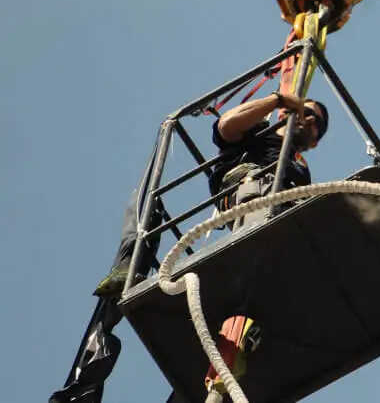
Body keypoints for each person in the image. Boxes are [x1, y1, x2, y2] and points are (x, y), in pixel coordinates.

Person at [54, 91, 328, 403]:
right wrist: (279, 99)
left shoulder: (300, 166)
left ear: (315, 141)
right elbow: (227, 126)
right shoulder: (260, 131)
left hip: (283, 225)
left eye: (316, 121)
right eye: (305, 111)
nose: (308, 118)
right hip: (252, 198)